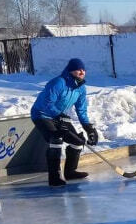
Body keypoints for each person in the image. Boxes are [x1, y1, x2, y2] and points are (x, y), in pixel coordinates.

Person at [30, 58, 98, 187]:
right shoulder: (58, 83)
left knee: (78, 141)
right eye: (79, 69)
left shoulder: (81, 88)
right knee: (55, 139)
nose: (82, 72)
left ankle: (70, 171)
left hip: (60, 117)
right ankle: (54, 177)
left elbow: (81, 109)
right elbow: (46, 103)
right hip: (42, 115)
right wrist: (58, 115)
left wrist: (88, 127)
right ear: (71, 70)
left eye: (84, 69)